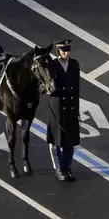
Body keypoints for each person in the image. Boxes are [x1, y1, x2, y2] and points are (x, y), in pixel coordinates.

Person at [46, 39, 81, 181]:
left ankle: (67, 167)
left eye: (68, 50)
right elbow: (46, 85)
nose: (66, 53)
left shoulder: (74, 64)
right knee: (57, 141)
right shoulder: (52, 65)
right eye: (63, 50)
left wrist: (77, 109)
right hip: (57, 107)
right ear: (58, 51)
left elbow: (77, 87)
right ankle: (59, 168)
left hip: (71, 107)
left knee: (70, 141)